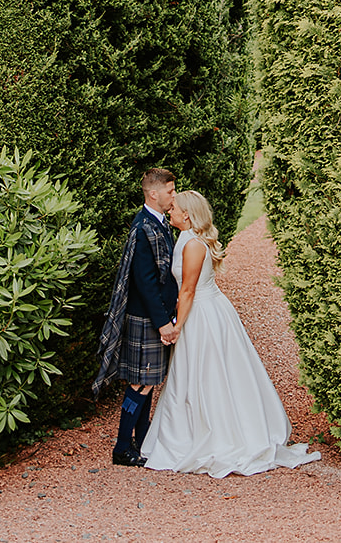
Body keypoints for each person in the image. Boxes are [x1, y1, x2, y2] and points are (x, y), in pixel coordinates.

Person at [139, 190, 321, 477]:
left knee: (209, 372)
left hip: (203, 314)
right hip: (198, 309)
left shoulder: (193, 245)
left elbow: (187, 290)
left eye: (174, 207)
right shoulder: (185, 239)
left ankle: (221, 435)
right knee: (193, 373)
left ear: (186, 214)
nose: (170, 211)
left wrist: (176, 327)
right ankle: (190, 430)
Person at [94, 167, 180, 467]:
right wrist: (162, 323)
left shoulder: (159, 223)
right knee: (140, 383)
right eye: (170, 191)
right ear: (154, 193)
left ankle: (141, 443)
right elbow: (144, 282)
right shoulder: (144, 227)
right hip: (146, 318)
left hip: (154, 317)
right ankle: (121, 447)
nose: (174, 196)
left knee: (148, 381)